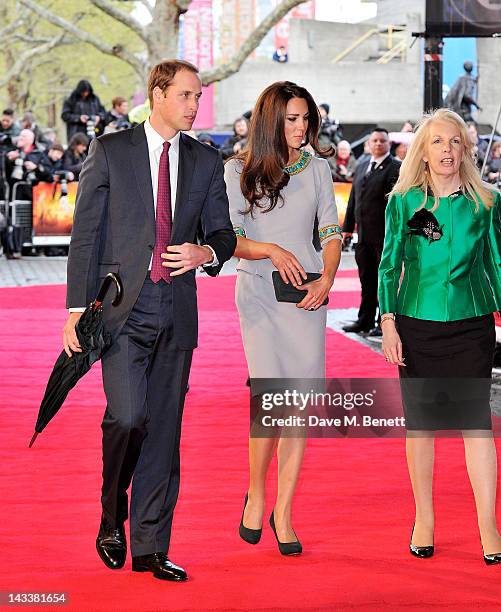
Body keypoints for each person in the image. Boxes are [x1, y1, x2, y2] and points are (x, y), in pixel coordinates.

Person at [63, 59, 236, 581]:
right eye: (185, 95)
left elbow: (224, 235)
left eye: (197, 97)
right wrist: (76, 309)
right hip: (121, 309)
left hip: (177, 312)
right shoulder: (111, 150)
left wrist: (205, 252)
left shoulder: (207, 161)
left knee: (164, 433)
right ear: (157, 94)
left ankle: (150, 546)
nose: (193, 105)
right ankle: (112, 510)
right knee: (128, 417)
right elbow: (86, 234)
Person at [378, 108, 501, 564]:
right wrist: (388, 322)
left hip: (472, 325)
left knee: (477, 426)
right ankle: (424, 518)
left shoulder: (486, 201)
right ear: (423, 152)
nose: (447, 149)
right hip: (416, 324)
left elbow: (498, 263)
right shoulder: (404, 202)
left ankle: (488, 524)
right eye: (437, 142)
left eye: (454, 141)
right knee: (422, 428)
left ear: (465, 149)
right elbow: (389, 264)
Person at [225, 81, 342, 556]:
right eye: (292, 120)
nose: (301, 128)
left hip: (306, 299)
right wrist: (271, 250)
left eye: (306, 119)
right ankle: (256, 491)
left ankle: (285, 511)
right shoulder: (237, 170)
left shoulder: (318, 169)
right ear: (272, 120)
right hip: (257, 294)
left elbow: (331, 232)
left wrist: (327, 279)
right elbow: (228, 237)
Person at [342, 128, 401, 335]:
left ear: (388, 144)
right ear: (368, 144)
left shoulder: (396, 168)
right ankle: (364, 320)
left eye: (382, 141)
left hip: (385, 237)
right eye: (374, 140)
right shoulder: (362, 165)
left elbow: (396, 206)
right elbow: (353, 200)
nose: (378, 144)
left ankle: (383, 323)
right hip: (364, 237)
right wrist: (347, 228)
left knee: (384, 282)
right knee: (366, 281)